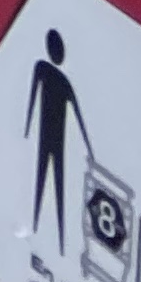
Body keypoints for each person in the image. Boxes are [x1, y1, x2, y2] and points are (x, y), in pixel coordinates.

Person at [25, 27, 91, 257]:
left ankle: (60, 245)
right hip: (49, 137)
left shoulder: (52, 74)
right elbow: (33, 99)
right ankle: (38, 232)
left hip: (53, 138)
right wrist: (26, 129)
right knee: (44, 182)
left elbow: (79, 117)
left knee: (57, 188)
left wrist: (89, 147)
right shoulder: (47, 72)